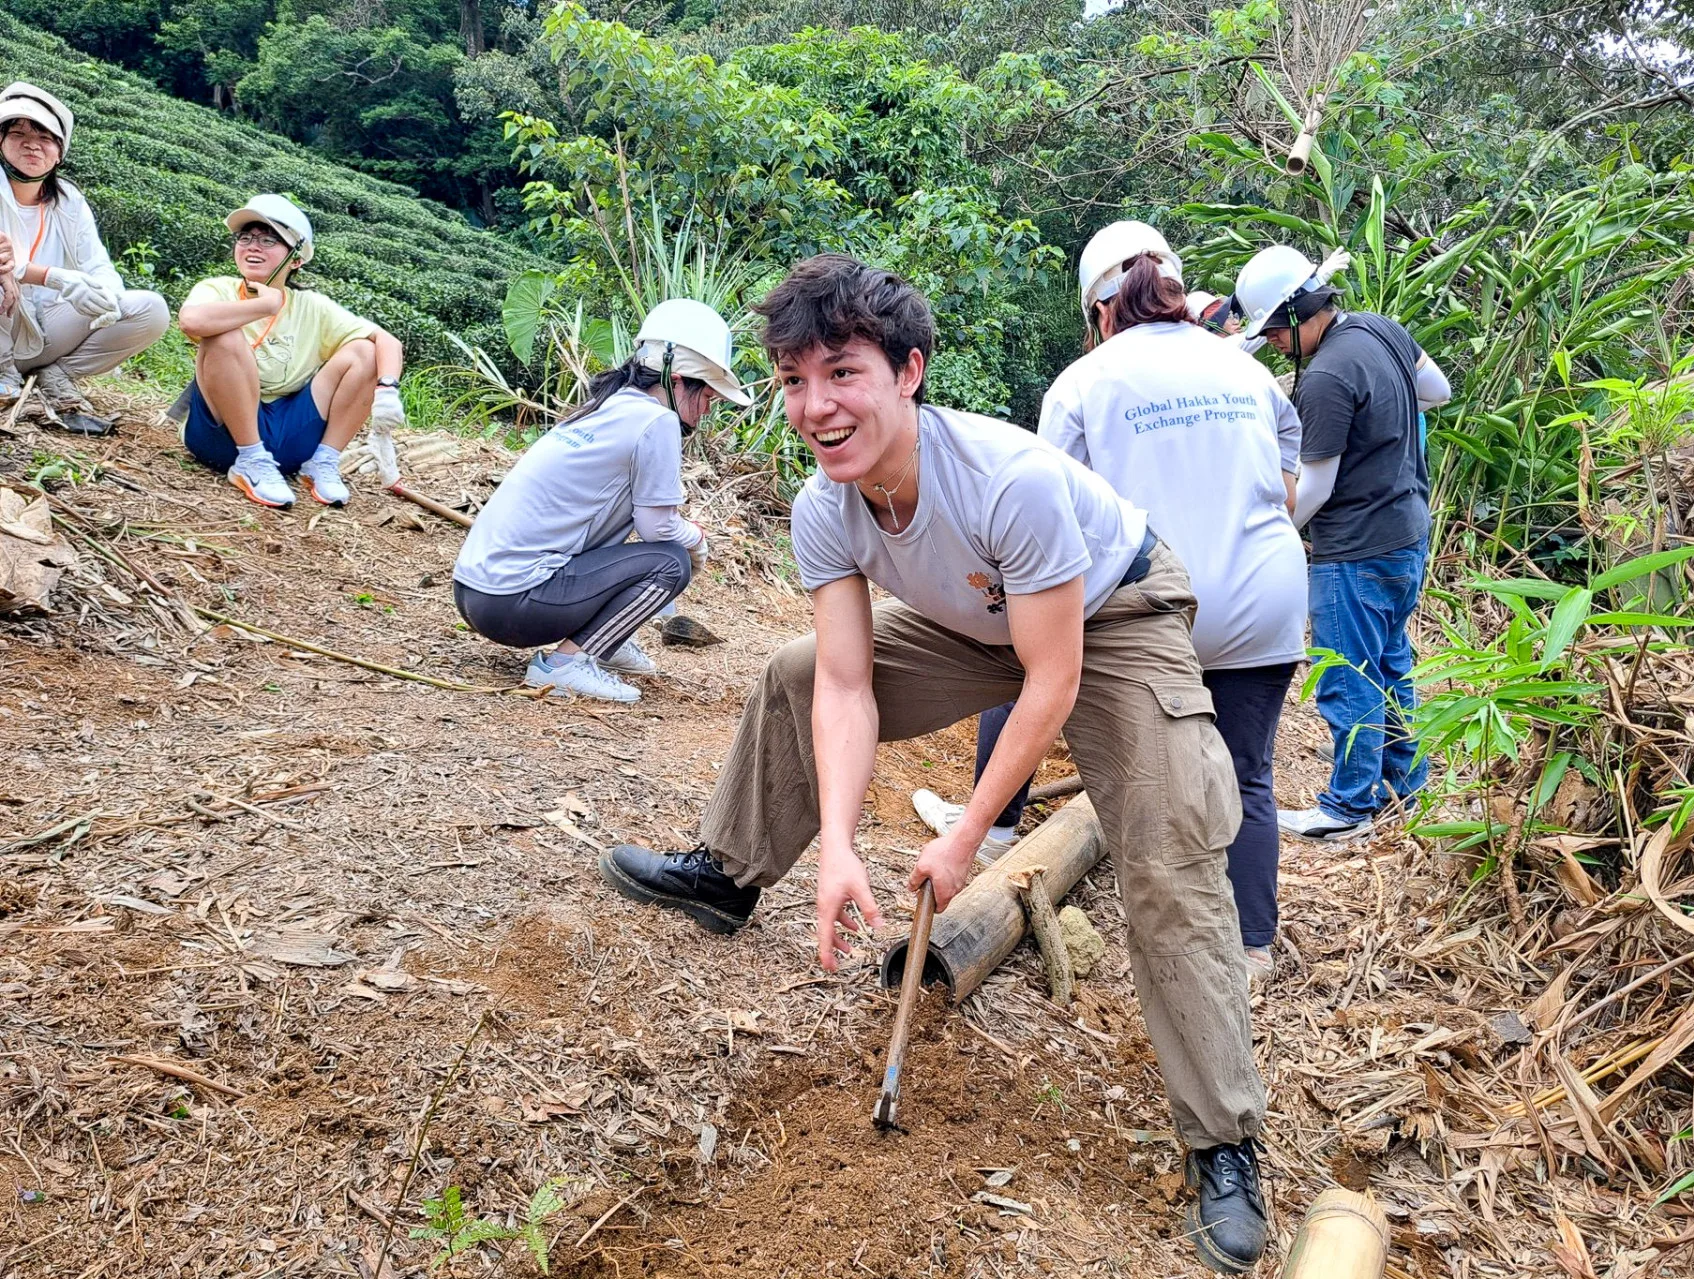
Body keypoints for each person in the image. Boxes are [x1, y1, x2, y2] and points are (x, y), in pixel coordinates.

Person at [597, 255, 1272, 1273]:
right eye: (792, 380)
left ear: (909, 371)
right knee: (789, 673)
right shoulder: (826, 507)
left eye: (842, 373)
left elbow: (1050, 679)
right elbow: (843, 682)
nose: (815, 405)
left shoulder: (1010, 481)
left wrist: (965, 837)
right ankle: (731, 872)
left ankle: (1223, 1140)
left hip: (1113, 615)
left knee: (1169, 853)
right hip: (985, 615)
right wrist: (836, 846)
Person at [1038, 221, 1307, 982]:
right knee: (1248, 772)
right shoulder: (1245, 371)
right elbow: (1286, 488)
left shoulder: (1083, 384)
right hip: (1264, 600)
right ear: (1177, 293)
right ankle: (1253, 947)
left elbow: (1051, 517)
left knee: (1152, 775)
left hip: (1159, 608)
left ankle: (1177, 952)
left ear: (1099, 312)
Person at [1230, 243, 1452, 842]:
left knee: (1348, 674)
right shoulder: (1380, 331)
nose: (1273, 341)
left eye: (1276, 330)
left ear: (1302, 312)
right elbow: (1438, 390)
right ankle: (1407, 788)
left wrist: (1265, 541)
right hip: (1406, 532)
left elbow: (1316, 488)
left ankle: (1348, 806)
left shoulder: (1326, 377)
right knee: (1390, 664)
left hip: (1354, 546)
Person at [451, 299, 750, 702]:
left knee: (651, 554)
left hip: (474, 592)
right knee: (671, 561)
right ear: (677, 380)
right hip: (513, 604)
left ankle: (605, 639)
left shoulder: (609, 404)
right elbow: (657, 527)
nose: (708, 409)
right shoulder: (656, 420)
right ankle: (565, 665)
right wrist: (698, 539)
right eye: (709, 397)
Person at [175, 194, 407, 510]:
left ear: (295, 259)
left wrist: (388, 389)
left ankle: (323, 463)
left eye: (269, 240)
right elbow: (190, 321)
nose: (253, 246)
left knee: (365, 352)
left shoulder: (312, 307)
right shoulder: (217, 289)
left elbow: (388, 341)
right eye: (246, 237)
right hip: (220, 435)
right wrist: (265, 304)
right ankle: (250, 459)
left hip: (290, 436)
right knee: (224, 335)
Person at [0, 81, 170, 425]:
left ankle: (56, 374)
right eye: (18, 133)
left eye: (46, 138)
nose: (33, 144)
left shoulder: (69, 200)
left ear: (60, 152)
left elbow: (97, 265)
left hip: (45, 328)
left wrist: (102, 295)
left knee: (150, 310)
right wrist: (51, 276)